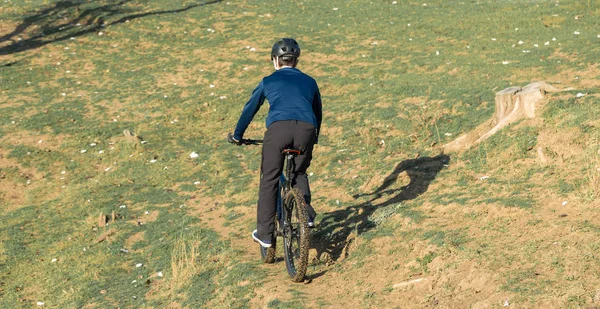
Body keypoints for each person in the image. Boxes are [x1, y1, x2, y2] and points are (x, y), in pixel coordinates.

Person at [228, 38, 322, 248]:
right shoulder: (310, 81)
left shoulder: (268, 81)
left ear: (275, 61)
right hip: (306, 130)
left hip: (278, 131)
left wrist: (237, 135)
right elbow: (318, 112)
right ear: (295, 61)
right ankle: (305, 215)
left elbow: (249, 109)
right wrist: (314, 137)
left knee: (269, 179)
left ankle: (266, 235)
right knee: (299, 173)